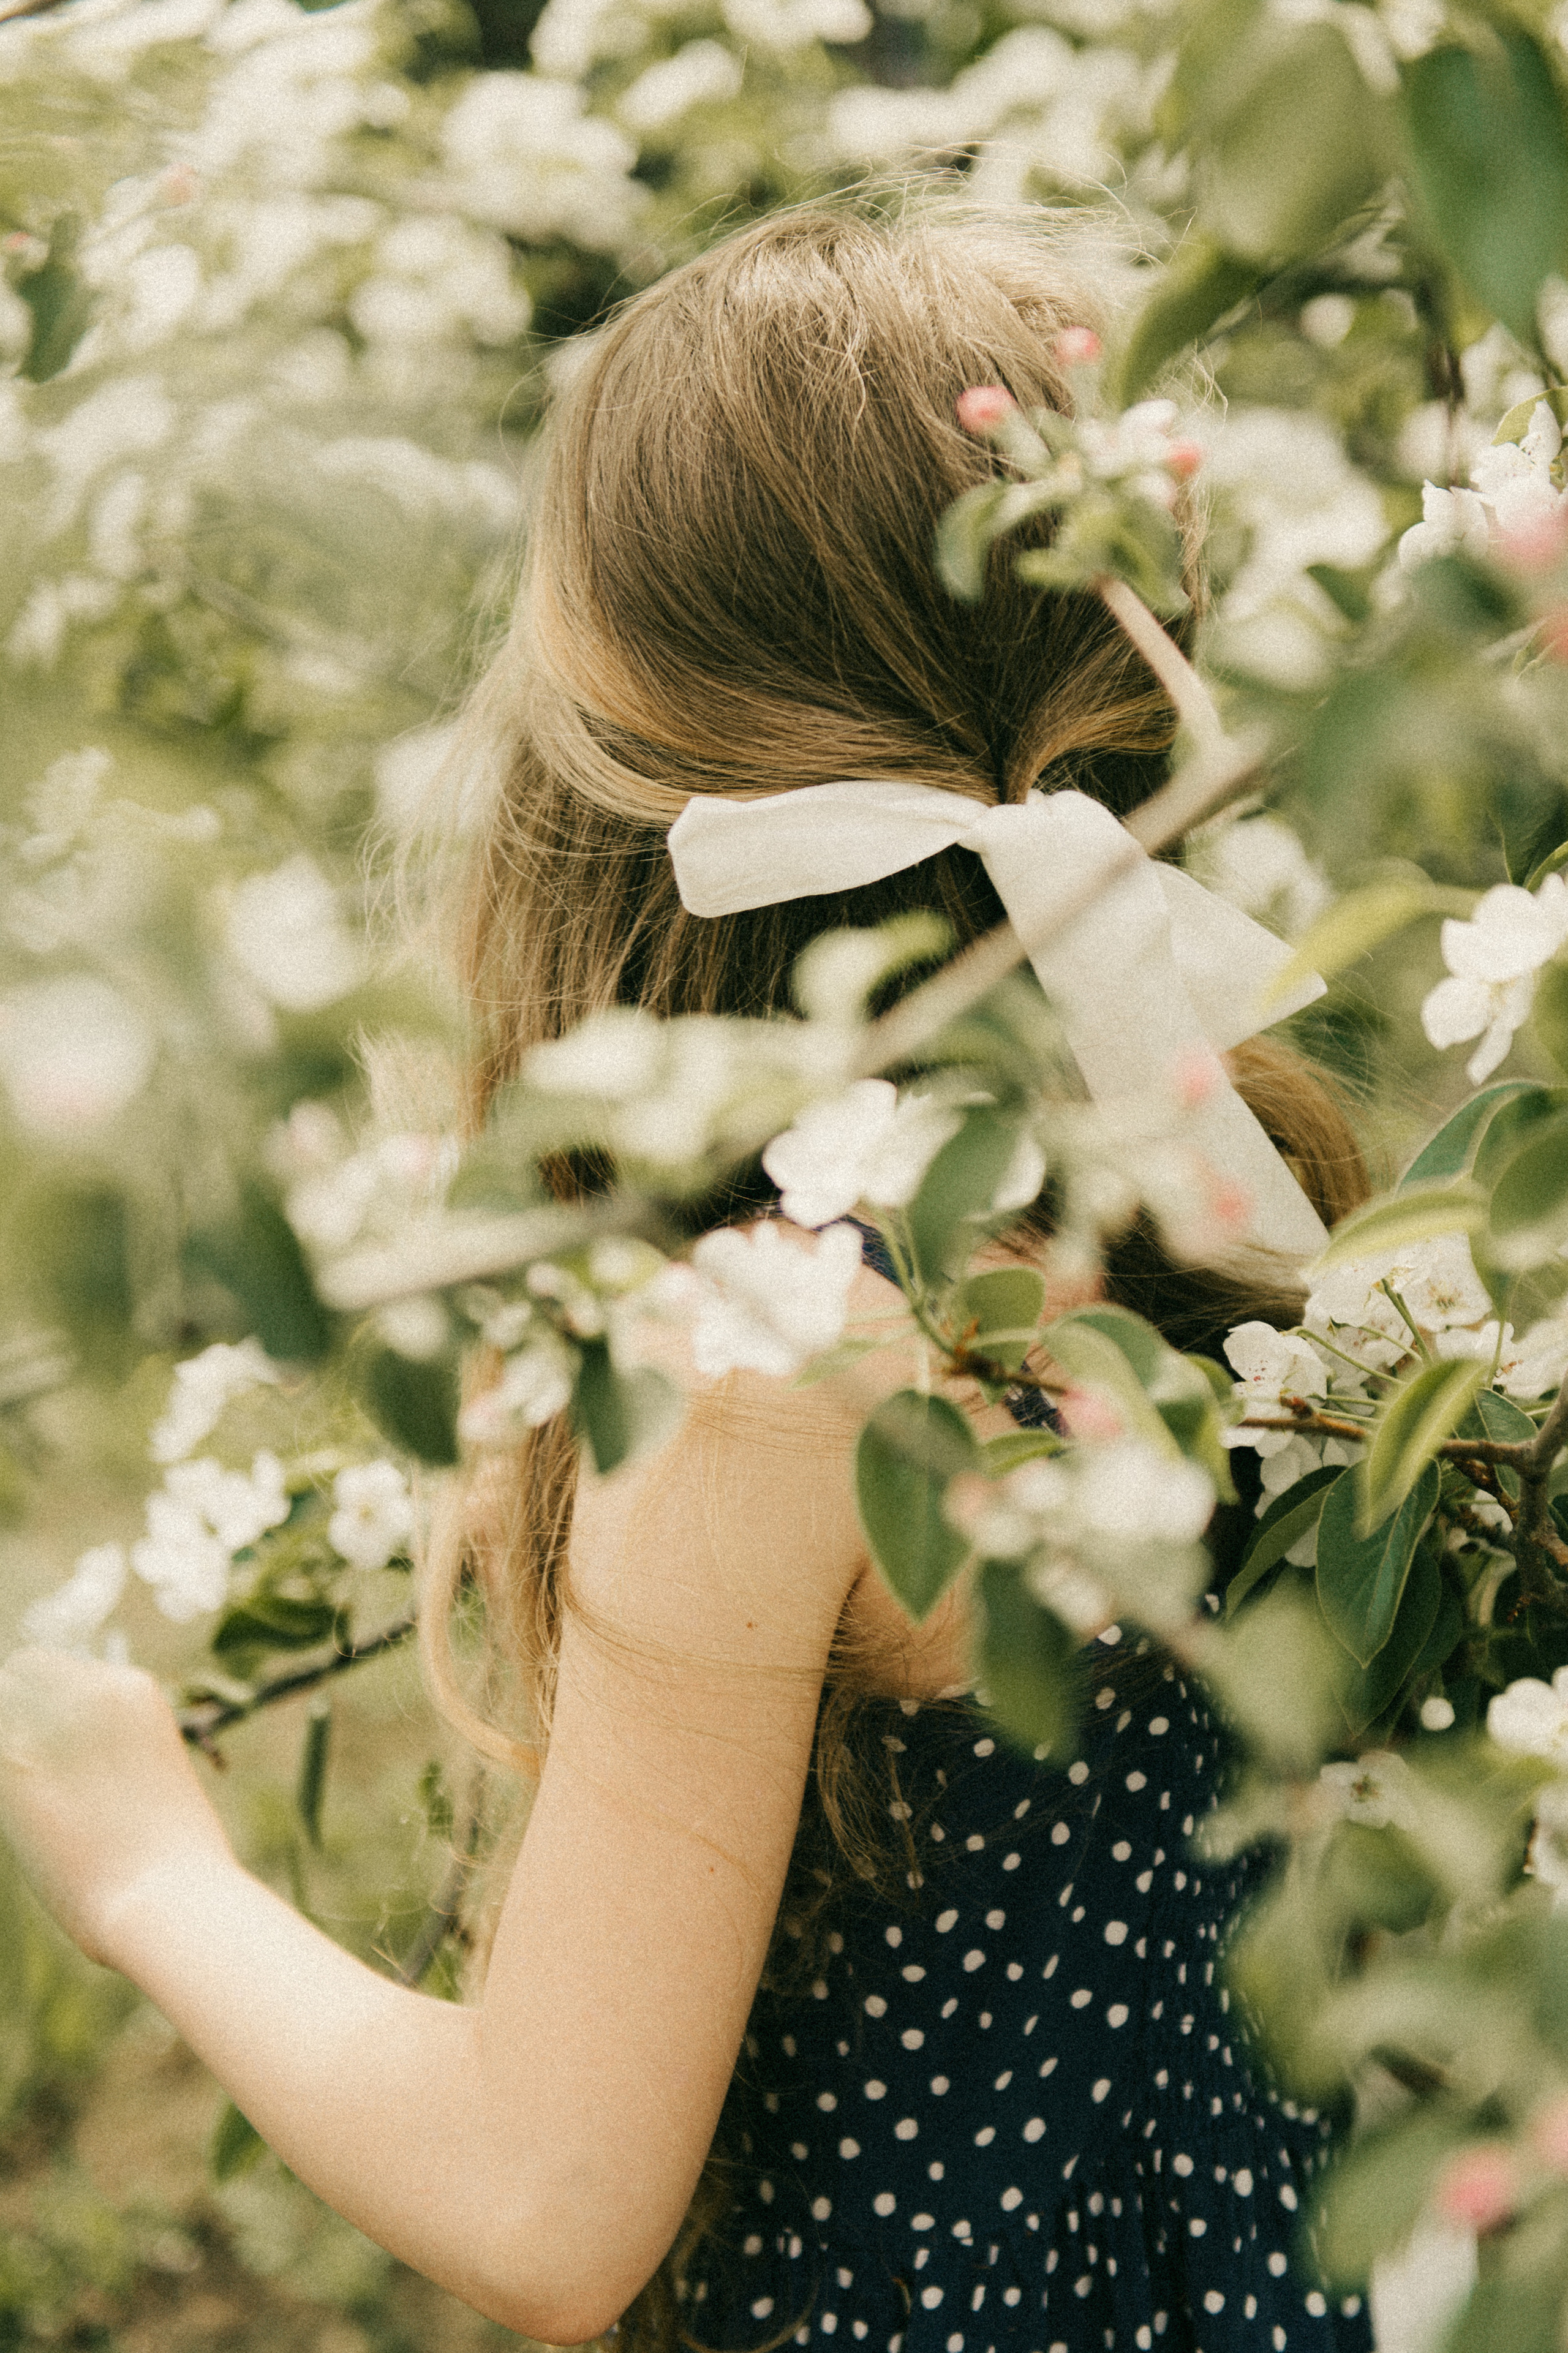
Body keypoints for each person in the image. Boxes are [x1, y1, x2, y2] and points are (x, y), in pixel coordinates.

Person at [0, 201, 1374, 2351]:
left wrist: (146, 1866)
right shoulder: (1238, 1176)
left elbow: (547, 2200)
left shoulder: (775, 1362)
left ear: (630, 744)